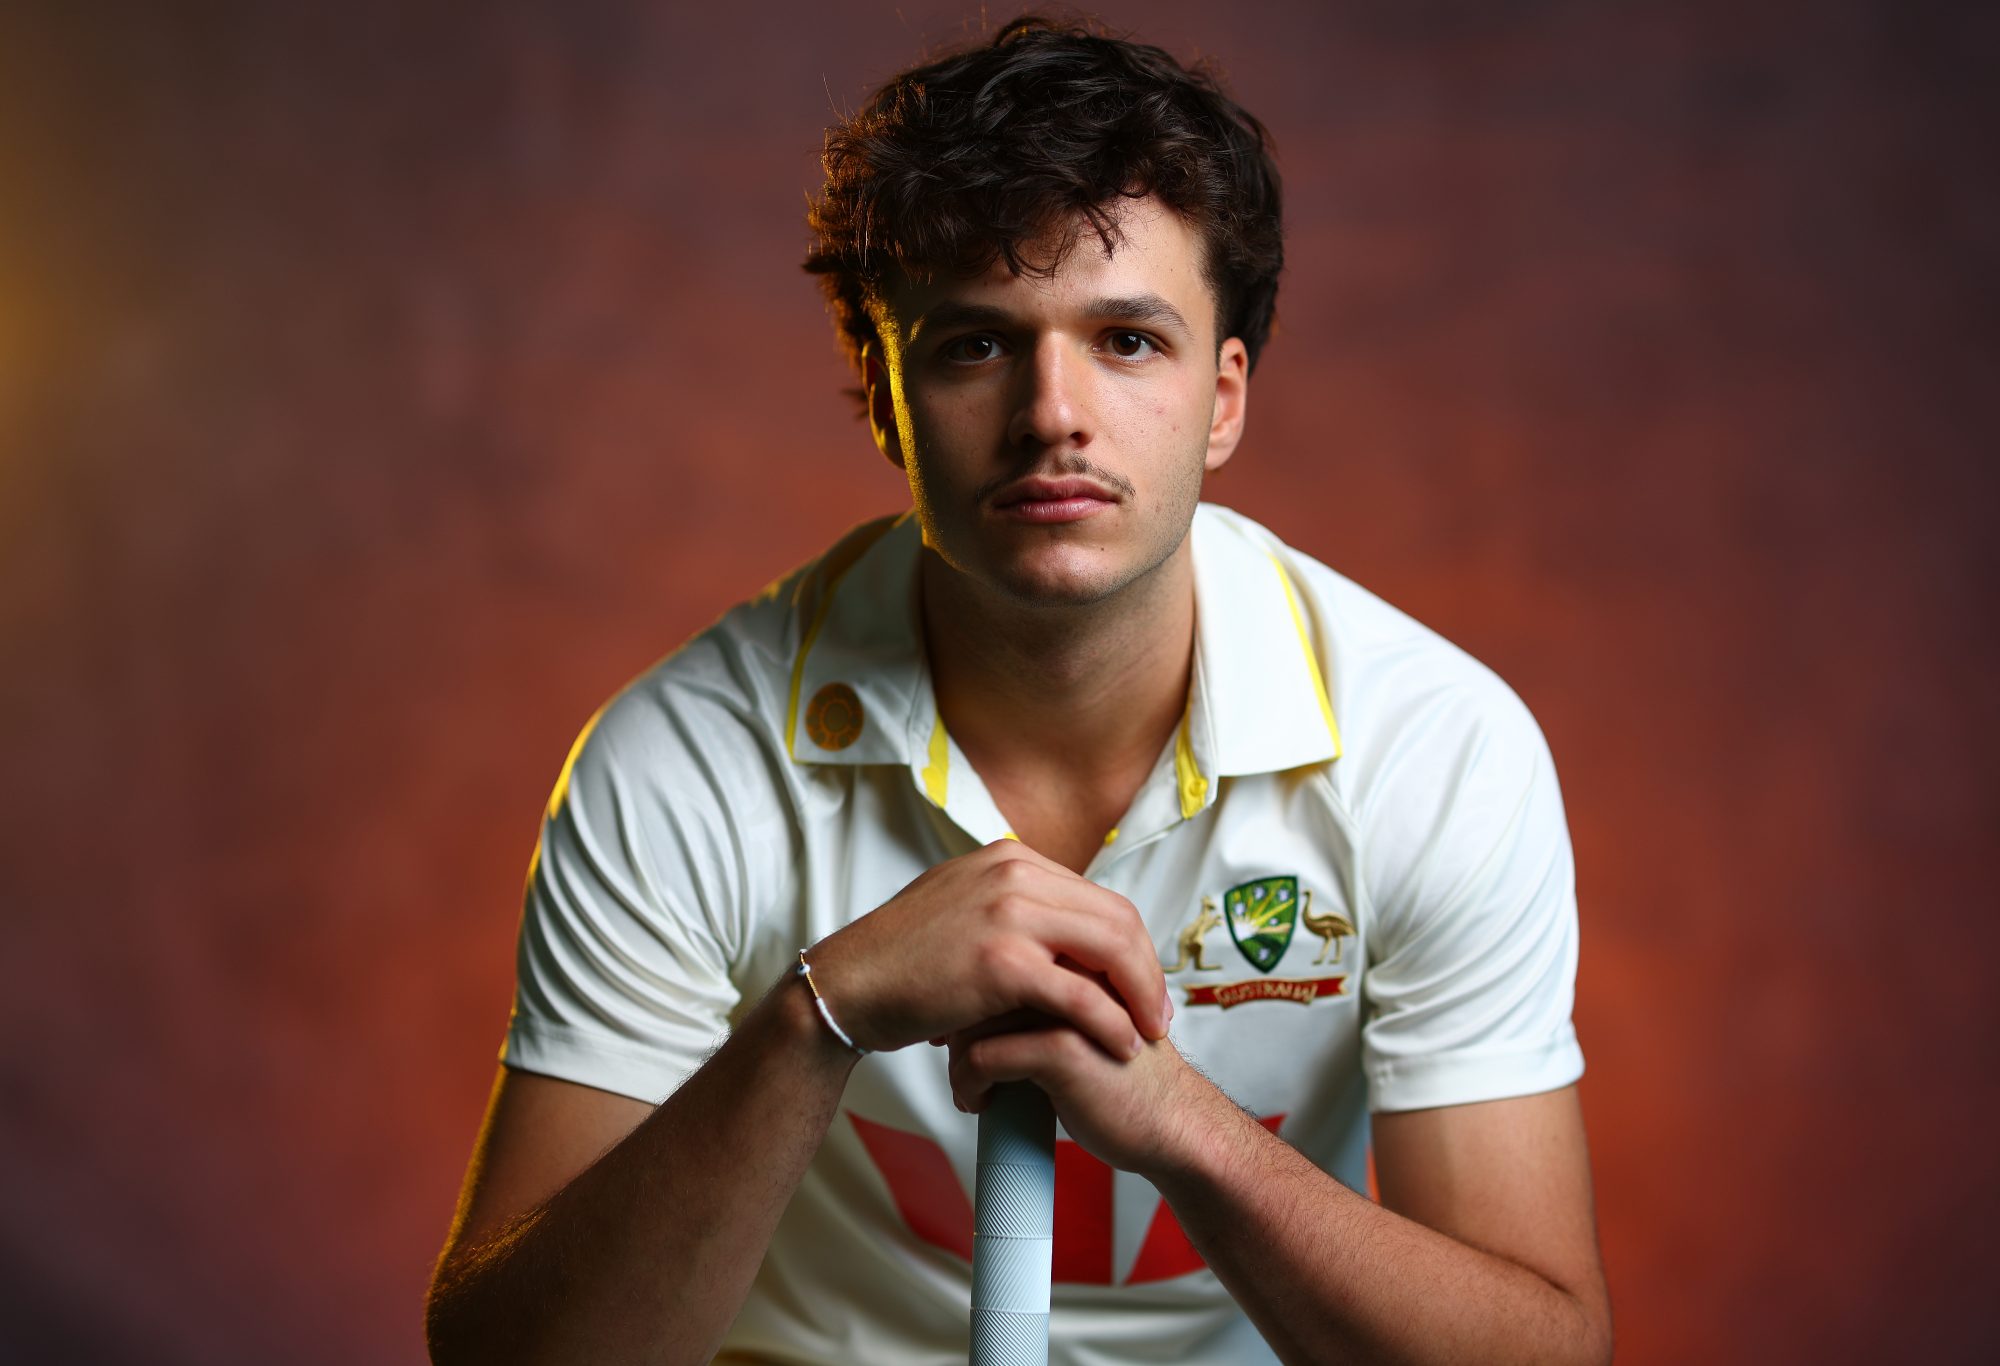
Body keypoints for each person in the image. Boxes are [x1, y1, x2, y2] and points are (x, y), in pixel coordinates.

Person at [426, 16, 1611, 1365]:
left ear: (1224, 398)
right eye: (977, 345)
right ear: (881, 394)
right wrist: (822, 1014)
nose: (1055, 411)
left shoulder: (1434, 747)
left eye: (1126, 340)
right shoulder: (685, 758)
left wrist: (1177, 1121)